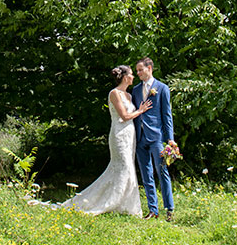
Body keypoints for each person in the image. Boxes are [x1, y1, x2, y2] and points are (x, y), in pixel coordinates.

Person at [49, 65, 152, 215]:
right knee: (124, 167)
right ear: (124, 77)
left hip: (130, 135)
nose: (133, 77)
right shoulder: (114, 93)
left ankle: (125, 205)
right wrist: (140, 111)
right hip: (119, 135)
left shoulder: (129, 96)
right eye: (131, 74)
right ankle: (110, 203)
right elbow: (124, 116)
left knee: (128, 168)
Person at [130, 57, 176, 221]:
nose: (138, 73)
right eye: (136, 70)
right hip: (140, 137)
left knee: (162, 172)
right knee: (146, 174)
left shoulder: (162, 88)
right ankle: (153, 210)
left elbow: (166, 115)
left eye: (140, 70)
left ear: (149, 68)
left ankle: (169, 209)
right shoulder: (135, 90)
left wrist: (170, 139)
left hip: (157, 137)